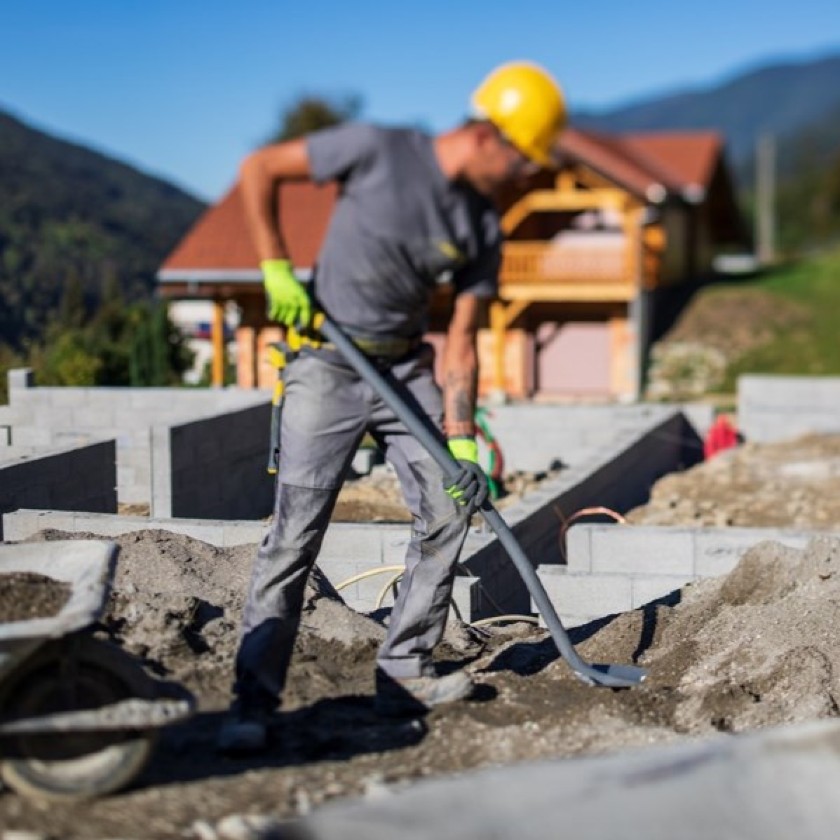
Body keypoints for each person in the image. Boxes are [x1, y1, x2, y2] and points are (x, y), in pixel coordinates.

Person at [218, 61, 567, 753]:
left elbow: (462, 342)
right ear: (488, 135)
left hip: (406, 368)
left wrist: (461, 438)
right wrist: (274, 264)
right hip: (328, 359)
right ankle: (251, 703)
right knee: (294, 534)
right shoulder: (379, 149)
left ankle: (403, 669)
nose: (523, 176)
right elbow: (260, 167)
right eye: (522, 161)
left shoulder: (481, 228)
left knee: (448, 502)